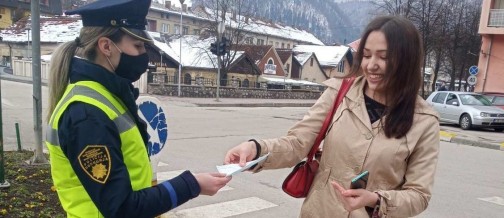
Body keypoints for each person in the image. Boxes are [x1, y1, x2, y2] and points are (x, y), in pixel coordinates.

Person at [224, 16, 440, 218]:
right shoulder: (340, 92)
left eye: (383, 57)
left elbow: (419, 194)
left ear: (407, 61)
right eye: (366, 55)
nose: (371, 65)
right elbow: (297, 143)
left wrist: (377, 200)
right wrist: (256, 149)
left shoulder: (424, 120)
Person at [45, 0, 231, 217]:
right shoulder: (86, 114)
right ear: (106, 46)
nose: (145, 55)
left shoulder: (107, 97)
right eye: (138, 46)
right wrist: (192, 185)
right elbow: (122, 208)